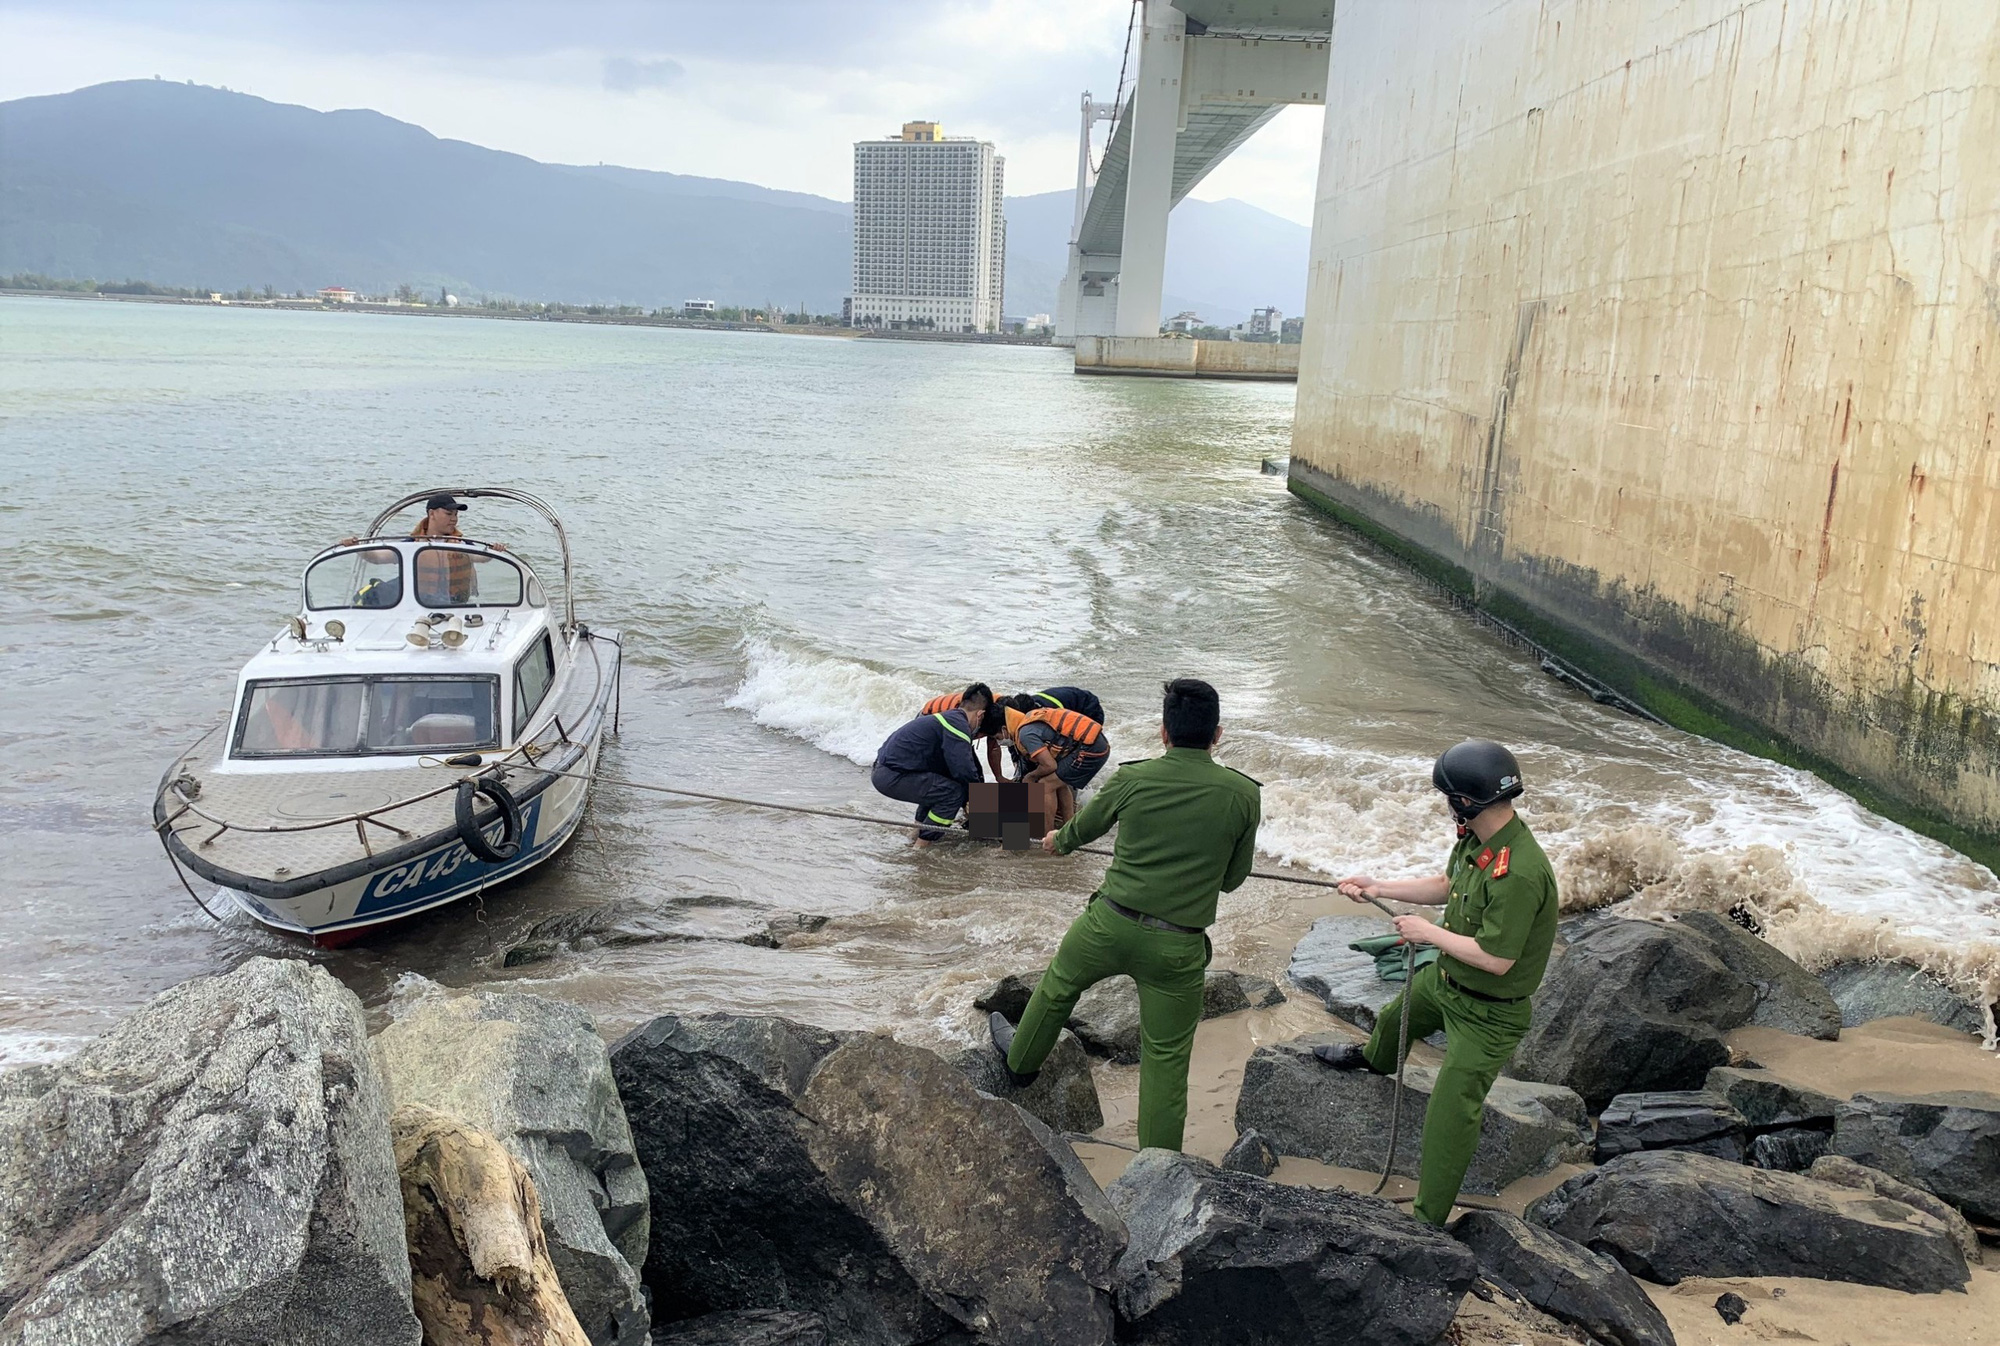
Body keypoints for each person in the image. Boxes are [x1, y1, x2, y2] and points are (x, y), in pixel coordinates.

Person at [989, 678, 1260, 1151]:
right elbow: (1233, 879)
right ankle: (1160, 1166)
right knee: (1166, 1058)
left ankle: (1020, 1064)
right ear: (1217, 735)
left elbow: (1080, 832)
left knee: (1057, 986)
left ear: (1163, 732)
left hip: (1108, 925)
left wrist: (1058, 840)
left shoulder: (1133, 779)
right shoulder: (1242, 794)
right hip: (1178, 944)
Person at [1313, 739, 1559, 1227]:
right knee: (1391, 1020)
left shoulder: (1521, 873)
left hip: (1489, 1012)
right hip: (1446, 982)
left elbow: (1497, 960)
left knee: (1451, 1115)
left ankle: (1427, 1222)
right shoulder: (1480, 839)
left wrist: (1428, 933)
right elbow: (1446, 886)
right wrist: (1379, 887)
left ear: (1463, 801)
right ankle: (1374, 1061)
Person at [871, 699, 986, 846]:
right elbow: (964, 769)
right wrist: (975, 798)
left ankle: (916, 833)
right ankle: (921, 847)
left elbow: (965, 767)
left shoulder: (951, 716)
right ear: (980, 715)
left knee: (940, 785)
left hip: (884, 768)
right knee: (953, 793)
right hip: (893, 775)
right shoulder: (959, 725)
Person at [998, 698, 1111, 830]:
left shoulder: (1025, 733)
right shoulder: (1026, 724)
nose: (998, 742)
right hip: (1089, 740)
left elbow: (1046, 768)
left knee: (1046, 784)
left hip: (1089, 743)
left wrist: (1030, 778)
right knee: (1055, 780)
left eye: (997, 738)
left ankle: (1048, 836)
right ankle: (1068, 828)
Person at [919, 684, 1006, 780]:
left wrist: (999, 777)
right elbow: (961, 764)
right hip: (930, 719)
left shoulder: (994, 715)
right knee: (954, 777)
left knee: (976, 776)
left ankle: (1016, 794)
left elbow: (993, 748)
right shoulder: (961, 718)